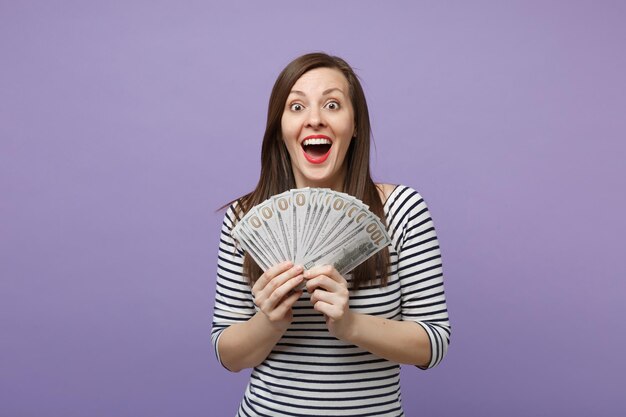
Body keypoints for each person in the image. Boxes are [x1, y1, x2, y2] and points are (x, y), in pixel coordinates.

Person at [211, 52, 451, 416]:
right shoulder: (244, 218)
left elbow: (433, 344)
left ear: (355, 125)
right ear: (280, 127)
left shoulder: (403, 210)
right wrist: (269, 322)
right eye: (296, 107)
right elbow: (228, 355)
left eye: (333, 104)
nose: (314, 120)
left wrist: (350, 324)